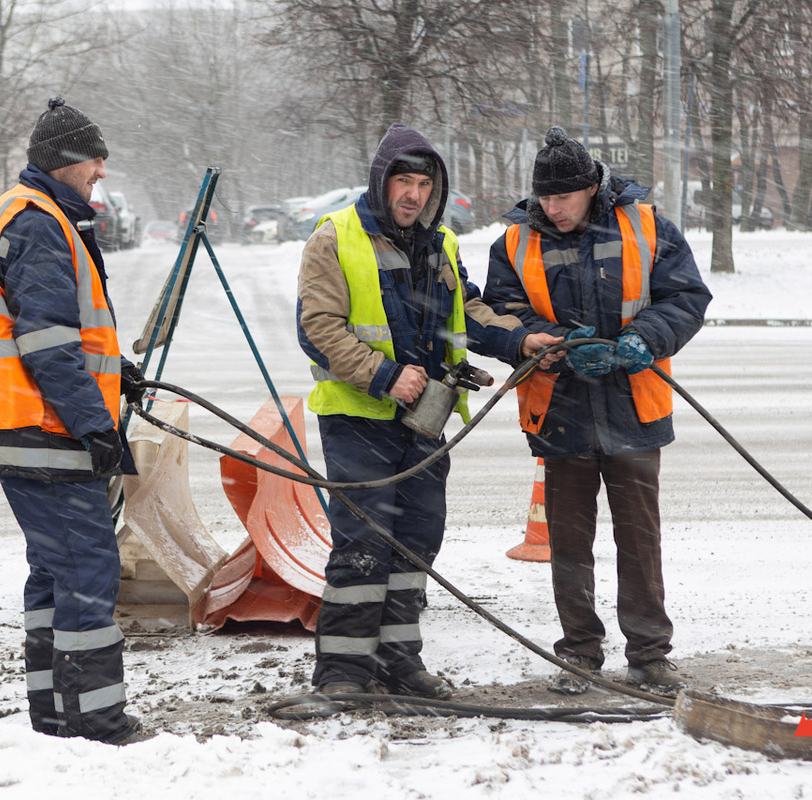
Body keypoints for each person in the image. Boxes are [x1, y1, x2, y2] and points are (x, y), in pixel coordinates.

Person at [297, 123, 561, 700]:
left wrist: (519, 340)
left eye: (423, 185)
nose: (413, 195)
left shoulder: (440, 243)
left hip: (424, 423)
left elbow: (467, 309)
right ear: (381, 182)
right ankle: (343, 673)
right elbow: (318, 329)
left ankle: (398, 661)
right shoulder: (335, 238)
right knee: (363, 545)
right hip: (358, 419)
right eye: (404, 183)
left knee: (416, 542)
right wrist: (385, 375)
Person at [483, 126, 712, 694]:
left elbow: (686, 297)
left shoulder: (647, 226)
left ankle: (649, 655)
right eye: (545, 198)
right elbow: (503, 312)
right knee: (568, 544)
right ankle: (580, 653)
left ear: (591, 187)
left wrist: (644, 339)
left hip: (634, 407)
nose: (553, 208)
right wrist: (556, 344)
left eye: (564, 197)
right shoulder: (514, 242)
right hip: (561, 411)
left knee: (639, 540)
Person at [0, 97, 148, 743]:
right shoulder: (40, 223)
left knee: (53, 572)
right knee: (87, 571)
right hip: (47, 431)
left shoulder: (29, 213)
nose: (102, 170)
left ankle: (54, 715)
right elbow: (47, 345)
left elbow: (58, 334)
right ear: (65, 161)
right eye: (95, 159)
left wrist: (115, 371)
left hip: (25, 429)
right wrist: (95, 424)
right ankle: (96, 720)